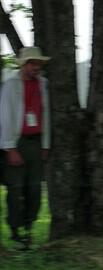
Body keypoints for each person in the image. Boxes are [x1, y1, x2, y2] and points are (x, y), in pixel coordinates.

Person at [0, 46, 50, 249]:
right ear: (23, 65)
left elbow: (46, 115)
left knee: (34, 189)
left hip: (36, 142)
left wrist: (46, 144)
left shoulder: (43, 84)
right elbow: (6, 116)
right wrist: (10, 148)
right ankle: (15, 230)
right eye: (31, 63)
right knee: (15, 189)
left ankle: (28, 228)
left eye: (37, 63)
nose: (35, 67)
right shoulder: (11, 85)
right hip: (17, 141)